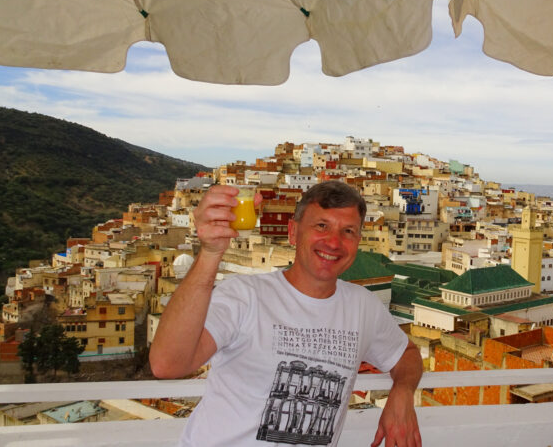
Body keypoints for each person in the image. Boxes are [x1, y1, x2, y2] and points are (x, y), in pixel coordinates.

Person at [150, 181, 423, 447]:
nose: (334, 242)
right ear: (293, 232)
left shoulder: (362, 306)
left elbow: (407, 356)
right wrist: (210, 253)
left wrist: (402, 393)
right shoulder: (244, 296)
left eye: (348, 231)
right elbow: (167, 364)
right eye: (321, 226)